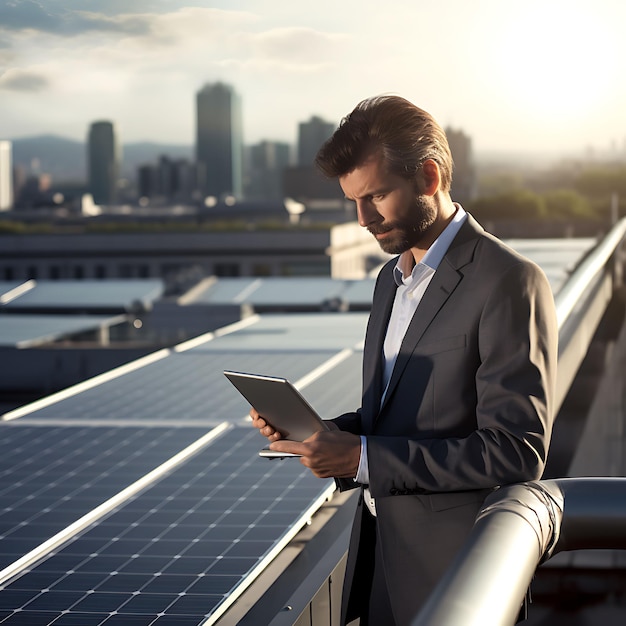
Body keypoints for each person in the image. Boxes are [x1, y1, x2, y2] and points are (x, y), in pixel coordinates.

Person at [250, 95, 558, 625]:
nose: (364, 218)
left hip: (456, 579)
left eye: (377, 195)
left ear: (430, 177)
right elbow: (396, 419)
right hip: (379, 568)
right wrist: (323, 433)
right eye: (353, 200)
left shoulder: (509, 281)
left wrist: (362, 459)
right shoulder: (389, 282)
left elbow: (516, 452)